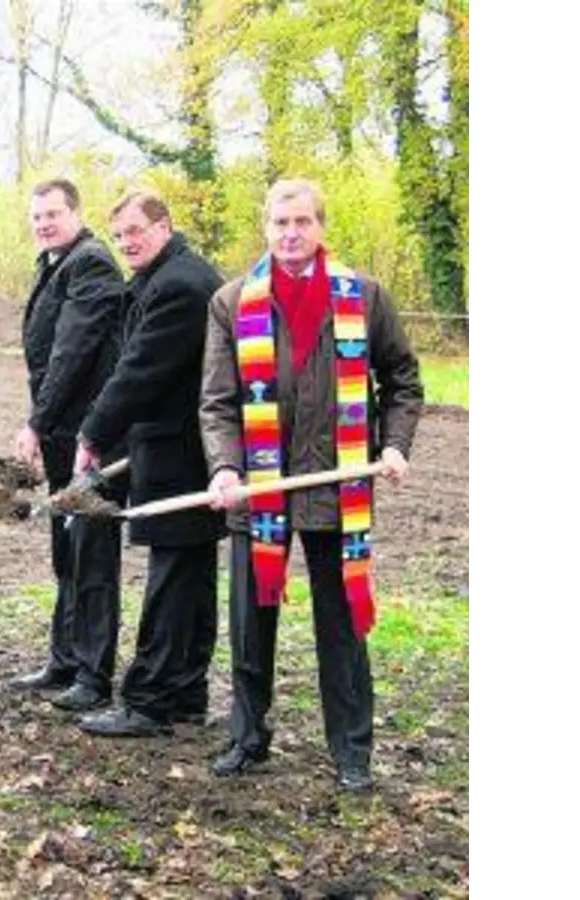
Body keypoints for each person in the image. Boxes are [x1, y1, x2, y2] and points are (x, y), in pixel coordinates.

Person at [200, 178, 423, 791]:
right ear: (265, 227)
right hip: (259, 490)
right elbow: (217, 402)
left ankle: (352, 750)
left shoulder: (364, 297)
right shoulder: (230, 302)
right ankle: (248, 737)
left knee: (342, 624)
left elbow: (403, 380)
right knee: (250, 621)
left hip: (338, 483)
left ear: (320, 226)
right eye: (280, 223)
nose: (291, 234)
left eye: (302, 221)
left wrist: (395, 446)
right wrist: (225, 467)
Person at [72, 189, 227, 737]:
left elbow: (139, 370)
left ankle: (151, 701)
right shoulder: (165, 279)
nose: (128, 243)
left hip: (179, 452)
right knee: (188, 575)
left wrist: (93, 433)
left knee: (173, 575)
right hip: (175, 449)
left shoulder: (181, 287)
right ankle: (185, 694)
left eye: (137, 230)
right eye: (120, 236)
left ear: (164, 226)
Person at [6, 178, 129, 712]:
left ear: (76, 214)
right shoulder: (53, 264)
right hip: (63, 437)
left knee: (93, 552)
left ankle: (93, 673)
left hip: (91, 436)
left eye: (53, 214)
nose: (43, 224)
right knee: (67, 548)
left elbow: (72, 351)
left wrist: (36, 421)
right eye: (36, 217)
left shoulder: (92, 264)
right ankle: (64, 658)